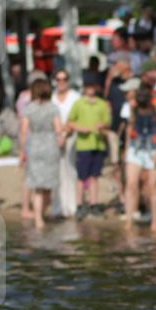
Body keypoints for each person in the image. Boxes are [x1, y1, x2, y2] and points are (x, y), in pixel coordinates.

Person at [19, 78, 64, 229]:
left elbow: (24, 132)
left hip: (35, 146)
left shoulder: (29, 108)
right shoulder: (53, 108)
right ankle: (43, 213)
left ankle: (38, 218)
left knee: (37, 186)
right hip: (50, 146)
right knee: (48, 185)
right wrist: (61, 139)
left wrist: (22, 152)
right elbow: (58, 130)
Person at [124, 85, 156, 231]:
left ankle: (155, 222)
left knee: (153, 186)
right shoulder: (134, 106)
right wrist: (126, 147)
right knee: (131, 184)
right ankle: (129, 220)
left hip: (153, 148)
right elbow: (130, 125)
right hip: (136, 146)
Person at [68, 76, 111, 219]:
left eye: (93, 87)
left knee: (95, 176)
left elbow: (107, 122)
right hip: (83, 145)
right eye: (88, 87)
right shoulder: (79, 104)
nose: (90, 90)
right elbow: (70, 121)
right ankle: (79, 204)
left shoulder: (102, 104)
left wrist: (102, 126)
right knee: (82, 176)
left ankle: (94, 203)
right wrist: (80, 128)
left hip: (98, 143)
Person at [51, 69, 79, 218]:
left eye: (64, 79)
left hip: (71, 135)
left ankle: (71, 205)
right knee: (56, 171)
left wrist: (65, 132)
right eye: (58, 79)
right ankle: (57, 205)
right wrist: (58, 133)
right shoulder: (52, 97)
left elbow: (76, 117)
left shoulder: (75, 97)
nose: (61, 82)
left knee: (69, 169)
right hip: (54, 136)